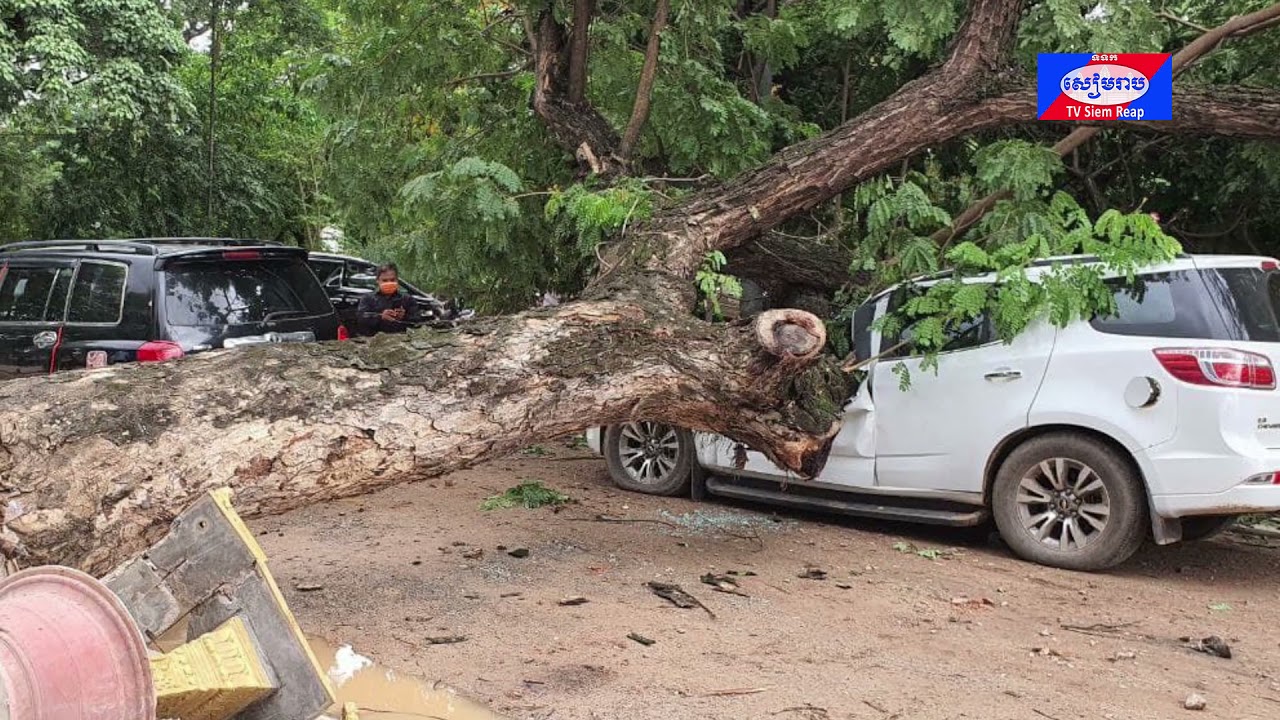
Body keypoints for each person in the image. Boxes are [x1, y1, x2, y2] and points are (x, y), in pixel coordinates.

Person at [356, 263, 420, 336]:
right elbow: (361, 319)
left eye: (392, 280)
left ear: (397, 280)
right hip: (375, 340)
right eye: (385, 280)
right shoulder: (367, 299)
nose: (389, 283)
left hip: (401, 339)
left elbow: (416, 321)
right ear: (377, 280)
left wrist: (404, 317)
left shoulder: (408, 299)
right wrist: (380, 316)